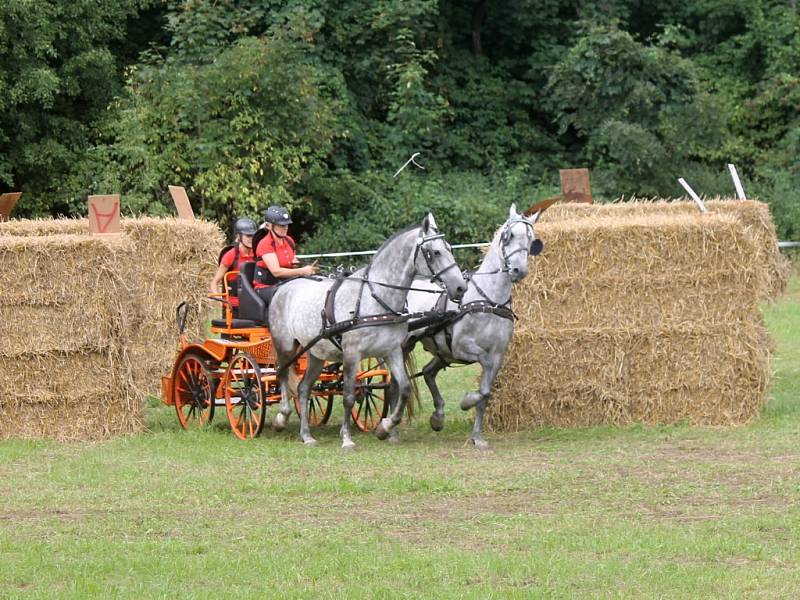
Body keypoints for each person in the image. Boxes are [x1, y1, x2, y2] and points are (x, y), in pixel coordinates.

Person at [253, 205, 317, 304]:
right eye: (281, 225)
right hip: (266, 288)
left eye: (286, 225)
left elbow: (291, 267)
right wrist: (303, 270)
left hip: (286, 283)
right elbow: (276, 272)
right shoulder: (265, 244)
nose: (285, 228)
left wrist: (296, 265)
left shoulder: (289, 241)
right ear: (270, 226)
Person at [209, 217, 258, 308]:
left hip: (253, 304)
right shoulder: (231, 255)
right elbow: (214, 283)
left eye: (253, 236)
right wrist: (220, 301)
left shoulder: (257, 254)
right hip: (233, 305)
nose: (251, 239)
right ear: (239, 237)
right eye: (248, 236)